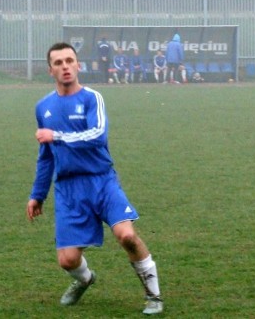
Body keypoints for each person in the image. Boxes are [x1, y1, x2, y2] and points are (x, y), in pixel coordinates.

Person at [26, 42, 164, 315]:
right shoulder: (44, 107)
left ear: (79, 65)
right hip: (68, 188)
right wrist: (38, 194)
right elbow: (46, 155)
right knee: (68, 260)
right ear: (50, 70)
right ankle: (85, 279)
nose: (65, 66)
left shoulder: (92, 98)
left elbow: (97, 135)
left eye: (69, 61)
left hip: (102, 181)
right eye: (58, 63)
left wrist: (58, 136)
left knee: (127, 236)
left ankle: (154, 296)